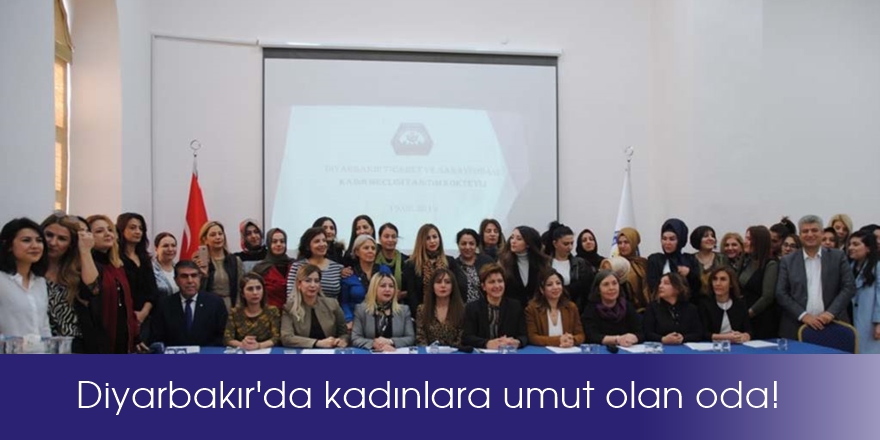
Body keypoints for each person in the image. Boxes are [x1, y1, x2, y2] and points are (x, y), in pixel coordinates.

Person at [776, 215, 856, 340]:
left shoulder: (838, 257)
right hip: (795, 326)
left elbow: (849, 286)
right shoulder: (788, 261)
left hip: (833, 324)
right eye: (805, 231)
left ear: (822, 233)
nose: (810, 234)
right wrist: (803, 315)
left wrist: (830, 313)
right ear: (800, 235)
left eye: (814, 230)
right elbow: (781, 293)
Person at [79, 215, 138, 353]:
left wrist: (135, 335)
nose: (107, 234)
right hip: (98, 341)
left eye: (110, 230)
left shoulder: (118, 266)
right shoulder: (86, 266)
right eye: (99, 231)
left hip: (123, 337)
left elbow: (128, 303)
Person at [41, 213, 98, 352]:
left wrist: (85, 251)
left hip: (74, 345)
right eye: (49, 235)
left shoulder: (76, 271)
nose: (53, 243)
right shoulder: (30, 270)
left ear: (71, 244)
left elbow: (92, 290)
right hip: (39, 344)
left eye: (62, 239)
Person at [149, 261, 228, 347]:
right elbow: (158, 338)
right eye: (184, 276)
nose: (190, 281)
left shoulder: (215, 303)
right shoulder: (164, 305)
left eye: (194, 276)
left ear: (200, 278)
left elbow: (221, 336)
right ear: (176, 280)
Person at [0, 218, 52, 338]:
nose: (35, 246)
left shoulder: (40, 282)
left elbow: (44, 325)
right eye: (26, 240)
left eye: (39, 241)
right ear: (8, 245)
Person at [280, 264, 349, 348]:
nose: (313, 285)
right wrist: (318, 343)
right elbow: (286, 338)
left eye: (316, 281)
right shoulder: (289, 308)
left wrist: (342, 341)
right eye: (308, 281)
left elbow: (344, 333)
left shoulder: (332, 304)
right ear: (299, 284)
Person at [462, 263, 528, 349]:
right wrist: (487, 343)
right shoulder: (472, 308)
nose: (497, 286)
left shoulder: (515, 306)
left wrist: (517, 342)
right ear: (483, 286)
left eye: (500, 281)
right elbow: (467, 337)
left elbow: (524, 336)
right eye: (492, 282)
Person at [116, 213, 158, 339]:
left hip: (145, 316)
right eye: (132, 228)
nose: (138, 232)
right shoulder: (115, 258)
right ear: (121, 229)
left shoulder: (144, 258)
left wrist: (144, 312)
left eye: (141, 228)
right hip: (121, 317)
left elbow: (152, 290)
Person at [351, 270, 415, 351]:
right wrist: (374, 344)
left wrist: (390, 341)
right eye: (383, 286)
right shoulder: (361, 310)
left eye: (391, 286)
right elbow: (355, 338)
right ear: (374, 288)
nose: (387, 289)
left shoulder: (404, 310)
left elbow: (410, 338)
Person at [402, 224, 457, 314]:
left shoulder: (450, 262)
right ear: (421, 241)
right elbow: (412, 295)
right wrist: (420, 314)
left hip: (448, 312)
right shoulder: (411, 264)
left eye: (435, 237)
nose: (432, 241)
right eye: (427, 238)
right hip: (421, 313)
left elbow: (456, 289)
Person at [524, 269, 585, 347]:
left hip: (567, 350)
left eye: (558, 283)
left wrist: (572, 339)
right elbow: (533, 338)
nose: (555, 287)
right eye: (549, 284)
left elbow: (581, 335)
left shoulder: (571, 307)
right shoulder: (532, 309)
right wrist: (558, 340)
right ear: (542, 290)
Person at [580, 270, 642, 347]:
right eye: (606, 284)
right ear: (598, 289)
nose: (611, 288)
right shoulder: (591, 310)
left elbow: (640, 332)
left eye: (614, 283)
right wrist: (617, 339)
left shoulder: (627, 306)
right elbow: (591, 336)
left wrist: (633, 337)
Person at [738, 226, 779, 339]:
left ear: (759, 242)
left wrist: (749, 313)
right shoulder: (746, 260)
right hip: (745, 316)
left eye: (749, 239)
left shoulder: (771, 264)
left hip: (761, 319)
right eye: (745, 238)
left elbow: (767, 297)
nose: (745, 242)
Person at [193, 221, 244, 310]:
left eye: (220, 234)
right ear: (205, 239)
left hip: (231, 308)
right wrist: (204, 275)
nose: (218, 237)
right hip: (208, 307)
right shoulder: (198, 262)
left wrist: (237, 309)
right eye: (213, 235)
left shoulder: (235, 260)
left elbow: (240, 288)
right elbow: (195, 291)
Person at [646, 219, 700, 301]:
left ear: (680, 240)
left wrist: (689, 274)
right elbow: (652, 286)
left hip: (686, 304)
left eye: (672, 239)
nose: (667, 243)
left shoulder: (689, 260)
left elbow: (697, 288)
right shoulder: (655, 260)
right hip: (660, 305)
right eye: (664, 238)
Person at [223, 272, 280, 350]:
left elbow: (276, 338)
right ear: (242, 293)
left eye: (258, 288)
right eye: (250, 289)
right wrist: (242, 344)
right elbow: (227, 338)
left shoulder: (272, 311)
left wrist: (258, 345)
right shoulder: (235, 313)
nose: (255, 292)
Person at [285, 227, 344, 301]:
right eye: (317, 241)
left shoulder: (337, 268)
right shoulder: (297, 266)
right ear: (308, 246)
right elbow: (291, 295)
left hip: (330, 308)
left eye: (324, 240)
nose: (322, 244)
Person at [643, 273, 703, 344]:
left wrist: (683, 338)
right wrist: (663, 339)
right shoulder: (652, 307)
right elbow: (647, 333)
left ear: (678, 288)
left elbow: (698, 333)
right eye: (660, 283)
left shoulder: (690, 308)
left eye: (666, 283)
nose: (660, 286)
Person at [498, 226, 550, 307]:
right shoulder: (503, 262)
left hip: (536, 308)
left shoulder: (541, 263)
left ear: (528, 244)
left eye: (519, 239)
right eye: (512, 237)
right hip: (511, 308)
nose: (513, 241)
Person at [544, 222, 593, 307]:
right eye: (566, 244)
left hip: (574, 307)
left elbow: (585, 291)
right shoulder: (545, 264)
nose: (570, 247)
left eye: (572, 243)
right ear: (555, 244)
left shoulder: (580, 264)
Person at [847, 231, 880, 353]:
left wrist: (878, 322)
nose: (851, 248)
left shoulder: (877, 267)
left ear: (868, 248)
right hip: (853, 319)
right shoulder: (850, 267)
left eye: (856, 244)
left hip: (871, 321)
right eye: (850, 244)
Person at [700, 266, 752, 343]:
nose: (717, 283)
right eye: (715, 279)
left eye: (723, 279)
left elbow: (749, 330)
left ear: (731, 284)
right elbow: (704, 334)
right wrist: (726, 337)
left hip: (737, 346)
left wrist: (745, 336)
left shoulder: (740, 304)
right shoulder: (704, 304)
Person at [416, 268, 466, 347]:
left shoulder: (462, 309)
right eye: (438, 282)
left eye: (447, 282)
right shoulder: (422, 310)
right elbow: (420, 338)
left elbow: (462, 338)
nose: (443, 285)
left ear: (453, 286)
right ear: (432, 286)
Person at [341, 235, 382, 326]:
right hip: (356, 321)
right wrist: (349, 319)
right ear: (357, 252)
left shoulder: (384, 271)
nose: (370, 251)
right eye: (366, 248)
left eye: (373, 248)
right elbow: (344, 302)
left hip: (381, 320)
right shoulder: (349, 275)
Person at [252, 228, 292, 310]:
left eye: (282, 241)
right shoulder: (260, 268)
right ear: (268, 244)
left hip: (293, 313)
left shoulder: (294, 265)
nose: (279, 244)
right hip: (270, 313)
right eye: (274, 241)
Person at [454, 228, 494, 304]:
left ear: (476, 245)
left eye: (471, 244)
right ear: (458, 245)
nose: (467, 247)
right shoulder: (454, 265)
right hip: (463, 309)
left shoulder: (487, 261)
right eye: (464, 243)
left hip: (486, 306)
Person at [689, 225, 729, 299]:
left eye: (712, 236)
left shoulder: (722, 258)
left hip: (718, 299)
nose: (710, 238)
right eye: (706, 236)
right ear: (697, 239)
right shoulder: (690, 259)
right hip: (695, 300)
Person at [617, 227, 650, 310]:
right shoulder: (615, 264)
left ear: (634, 243)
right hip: (625, 310)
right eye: (620, 243)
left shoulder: (643, 263)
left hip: (646, 309)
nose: (622, 246)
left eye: (626, 242)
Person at [375, 223, 408, 294]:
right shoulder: (373, 259)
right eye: (386, 236)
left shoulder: (406, 261)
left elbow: (411, 288)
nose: (390, 240)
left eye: (393, 237)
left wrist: (402, 294)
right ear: (380, 239)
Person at [152, 232, 179, 296]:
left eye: (173, 245)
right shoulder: (149, 270)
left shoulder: (179, 269)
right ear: (156, 248)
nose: (170, 249)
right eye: (165, 246)